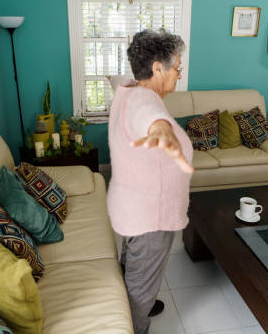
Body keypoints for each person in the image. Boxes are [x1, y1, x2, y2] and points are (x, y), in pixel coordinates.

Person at [107, 29, 194, 334]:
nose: (179, 75)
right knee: (141, 286)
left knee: (131, 262)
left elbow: (126, 87)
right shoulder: (145, 101)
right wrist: (161, 129)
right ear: (158, 68)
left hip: (130, 207)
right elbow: (149, 114)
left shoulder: (129, 89)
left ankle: (137, 301)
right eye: (177, 68)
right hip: (150, 217)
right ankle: (135, 322)